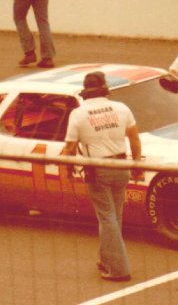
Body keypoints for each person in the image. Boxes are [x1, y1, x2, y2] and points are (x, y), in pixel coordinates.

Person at [64, 71, 143, 282]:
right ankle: (106, 259)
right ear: (105, 90)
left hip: (98, 169)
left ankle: (119, 269)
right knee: (114, 217)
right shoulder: (121, 108)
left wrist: (66, 166)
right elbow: (134, 139)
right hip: (121, 165)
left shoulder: (79, 114)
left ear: (85, 93)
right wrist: (137, 164)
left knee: (107, 218)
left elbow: (70, 146)